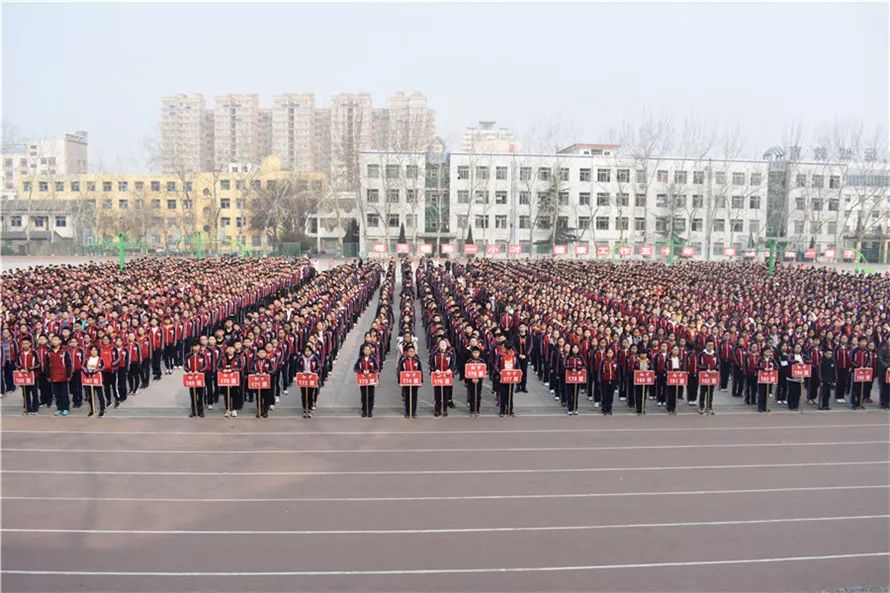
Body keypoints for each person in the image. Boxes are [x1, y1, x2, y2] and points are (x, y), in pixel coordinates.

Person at [46, 335, 72, 416]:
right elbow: (47, 365)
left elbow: (68, 363)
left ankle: (66, 408)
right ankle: (59, 408)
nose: (54, 341)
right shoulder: (49, 352)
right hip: (53, 375)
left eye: (56, 339)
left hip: (63, 375)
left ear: (60, 341)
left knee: (64, 393)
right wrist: (48, 375)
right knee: (57, 393)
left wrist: (69, 375)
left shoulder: (64, 351)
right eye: (53, 340)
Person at [15, 337, 41, 415]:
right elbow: (16, 364)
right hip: (23, 377)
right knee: (25, 394)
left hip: (33, 376)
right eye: (23, 344)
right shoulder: (19, 353)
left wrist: (29, 369)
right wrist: (21, 369)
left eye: (26, 343)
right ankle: (27, 409)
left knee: (34, 393)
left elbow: (38, 364)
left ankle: (35, 409)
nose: (25, 345)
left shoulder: (34, 352)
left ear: (30, 344)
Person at [431, 339, 455, 417]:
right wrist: (435, 369)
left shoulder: (449, 354)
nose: (443, 345)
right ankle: (437, 409)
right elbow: (431, 364)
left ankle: (444, 409)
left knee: (445, 394)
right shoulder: (435, 354)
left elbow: (452, 364)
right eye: (441, 344)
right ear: (438, 345)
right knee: (437, 394)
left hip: (446, 377)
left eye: (444, 344)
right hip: (437, 377)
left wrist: (450, 369)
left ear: (446, 346)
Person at [397, 343, 422, 418]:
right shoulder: (403, 361)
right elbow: (400, 371)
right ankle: (407, 412)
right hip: (406, 382)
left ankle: (413, 412)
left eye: (412, 351)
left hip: (415, 382)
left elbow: (420, 371)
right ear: (407, 352)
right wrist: (400, 381)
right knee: (407, 397)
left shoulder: (417, 361)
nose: (411, 353)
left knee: (414, 397)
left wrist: (421, 381)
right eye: (410, 351)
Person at [354, 343, 378, 418]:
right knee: (364, 396)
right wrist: (362, 371)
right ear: (363, 351)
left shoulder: (373, 359)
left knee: (371, 395)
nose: (367, 351)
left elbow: (376, 368)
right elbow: (355, 368)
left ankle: (370, 410)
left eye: (368, 350)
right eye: (365, 350)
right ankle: (364, 410)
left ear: (370, 351)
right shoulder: (360, 359)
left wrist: (370, 371)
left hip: (371, 380)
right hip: (363, 380)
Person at [219, 344, 243, 418]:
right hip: (225, 379)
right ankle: (228, 409)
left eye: (232, 348)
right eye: (228, 348)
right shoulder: (222, 358)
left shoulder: (238, 358)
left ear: (234, 349)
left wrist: (232, 370)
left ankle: (234, 409)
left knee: (235, 394)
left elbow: (241, 367)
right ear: (226, 350)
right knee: (226, 394)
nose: (230, 350)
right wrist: (223, 370)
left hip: (234, 379)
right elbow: (218, 367)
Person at [496, 342, 518, 417]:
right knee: (503, 394)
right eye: (507, 349)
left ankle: (510, 410)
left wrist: (519, 372)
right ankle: (502, 411)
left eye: (510, 349)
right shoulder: (500, 355)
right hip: (503, 377)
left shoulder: (513, 355)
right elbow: (496, 365)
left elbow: (517, 365)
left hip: (511, 377)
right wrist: (500, 372)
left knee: (510, 394)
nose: (508, 351)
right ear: (504, 348)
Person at [82, 345, 106, 417]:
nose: (93, 351)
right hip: (89, 380)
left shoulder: (100, 359)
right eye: (92, 350)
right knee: (90, 396)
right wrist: (86, 371)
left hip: (97, 380)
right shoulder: (87, 359)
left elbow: (103, 367)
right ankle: (92, 409)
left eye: (95, 350)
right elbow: (83, 366)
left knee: (100, 395)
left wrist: (96, 370)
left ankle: (102, 408)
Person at [184, 342, 206, 418]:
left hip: (200, 378)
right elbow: (185, 365)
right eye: (194, 346)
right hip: (191, 378)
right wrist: (188, 371)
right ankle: (193, 411)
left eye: (197, 346)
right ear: (192, 347)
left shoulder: (202, 355)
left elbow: (205, 366)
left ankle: (201, 411)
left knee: (200, 396)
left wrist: (199, 371)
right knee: (193, 396)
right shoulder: (188, 356)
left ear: (199, 347)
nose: (196, 348)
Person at [298, 344, 320, 418]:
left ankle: (309, 409)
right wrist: (302, 371)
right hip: (303, 378)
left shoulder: (315, 358)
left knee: (310, 394)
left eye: (309, 351)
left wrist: (313, 372)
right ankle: (305, 409)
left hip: (311, 377)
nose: (307, 352)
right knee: (303, 394)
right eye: (306, 351)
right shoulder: (301, 358)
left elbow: (318, 367)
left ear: (311, 351)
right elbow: (297, 367)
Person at [563, 343, 585, 416]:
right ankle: (570, 408)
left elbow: (584, 366)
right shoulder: (568, 357)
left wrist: (578, 368)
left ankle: (575, 408)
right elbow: (564, 365)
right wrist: (571, 368)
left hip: (577, 378)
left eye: (576, 348)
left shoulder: (581, 357)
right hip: (569, 377)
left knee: (575, 394)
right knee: (569, 394)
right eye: (574, 348)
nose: (575, 350)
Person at [465, 346, 484, 417]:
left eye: (477, 353)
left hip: (479, 381)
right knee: (471, 395)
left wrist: (479, 379)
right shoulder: (469, 361)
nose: (476, 354)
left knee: (478, 395)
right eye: (474, 353)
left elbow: (483, 371)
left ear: (479, 353)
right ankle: (472, 410)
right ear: (472, 353)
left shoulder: (482, 361)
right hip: (471, 381)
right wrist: (469, 379)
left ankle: (477, 409)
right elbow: (466, 372)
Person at [599, 347, 618, 416]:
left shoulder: (615, 361)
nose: (610, 354)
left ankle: (609, 409)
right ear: (606, 353)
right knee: (605, 395)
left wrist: (617, 381)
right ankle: (604, 409)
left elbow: (617, 372)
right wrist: (600, 380)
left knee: (611, 395)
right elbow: (600, 371)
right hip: (605, 381)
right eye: (608, 352)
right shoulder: (603, 362)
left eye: (611, 352)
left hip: (613, 380)